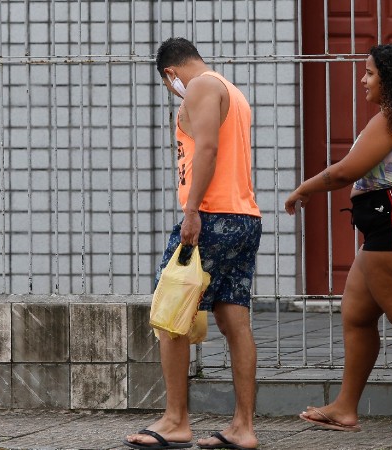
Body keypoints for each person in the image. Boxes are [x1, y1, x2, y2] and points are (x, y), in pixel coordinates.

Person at [285, 43, 392, 439]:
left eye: (370, 73)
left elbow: (346, 171)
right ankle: (345, 407)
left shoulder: (391, 120)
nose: (363, 80)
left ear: (390, 79)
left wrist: (303, 190)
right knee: (358, 313)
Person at [124, 37, 261, 450]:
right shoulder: (231, 91)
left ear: (171, 74)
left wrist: (192, 210)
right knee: (234, 321)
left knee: (169, 316)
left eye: (170, 87)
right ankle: (243, 427)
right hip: (243, 216)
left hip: (211, 216)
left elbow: (207, 148)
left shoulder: (200, 86)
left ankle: (175, 420)